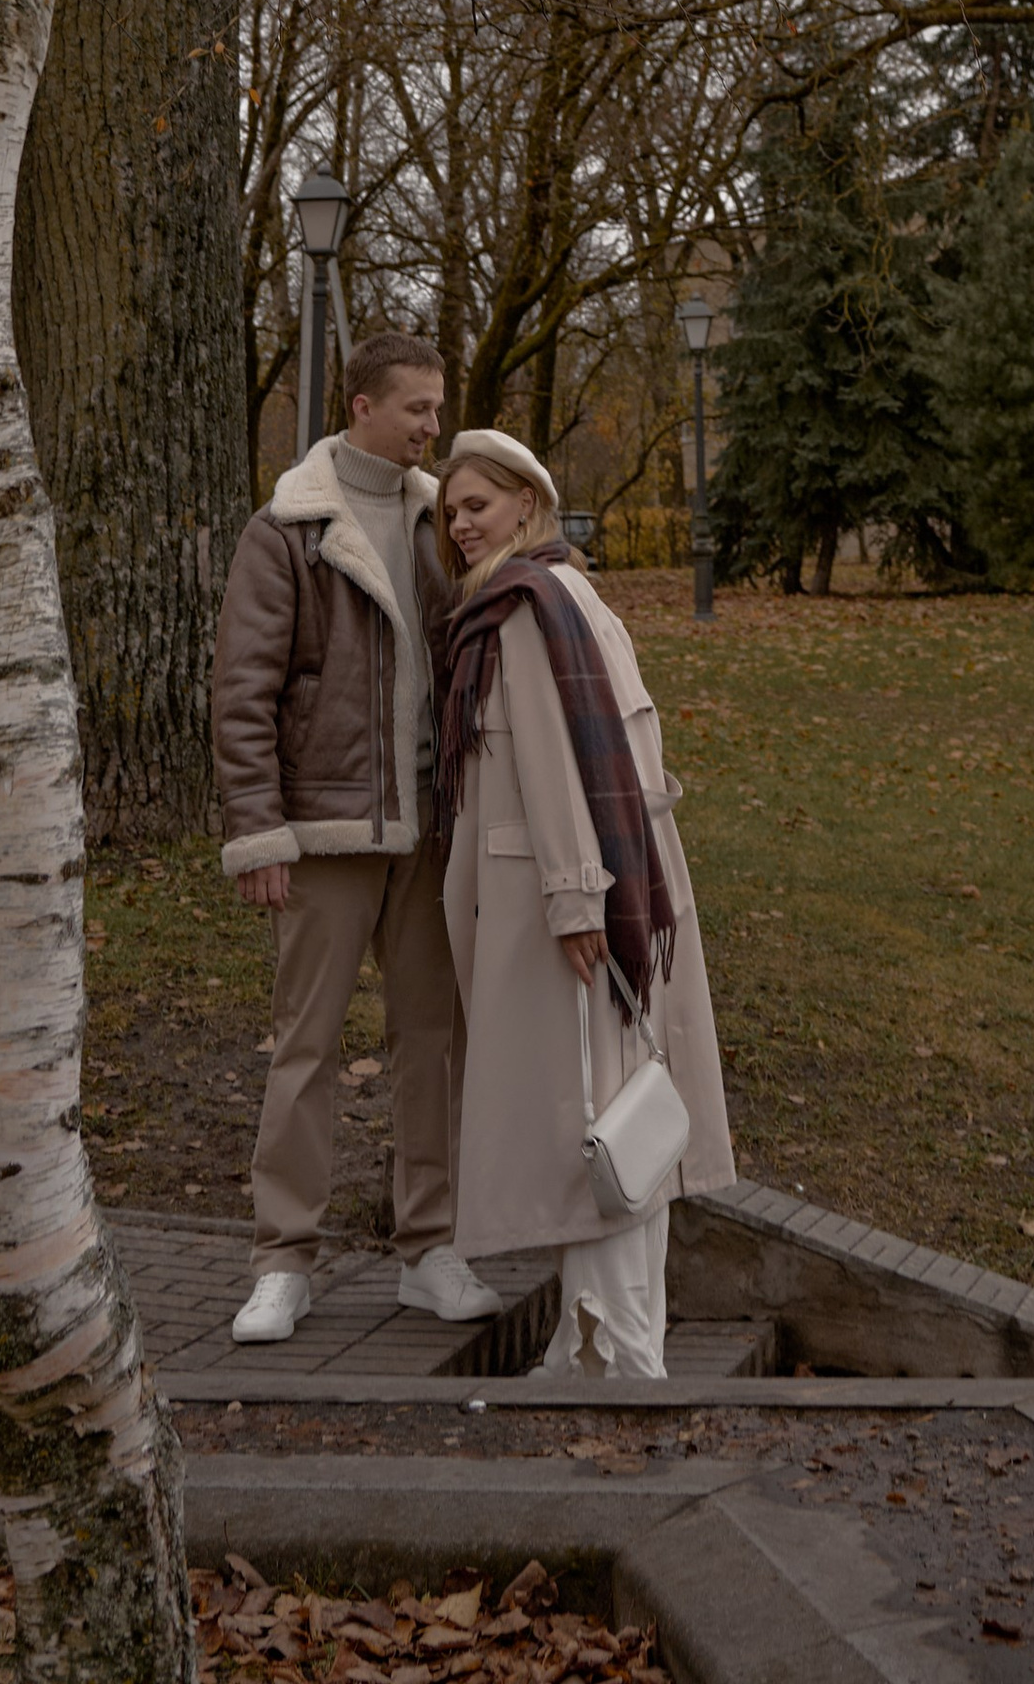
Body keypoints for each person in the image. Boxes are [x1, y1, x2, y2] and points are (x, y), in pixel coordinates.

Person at [211, 328, 502, 1345]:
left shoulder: (441, 522)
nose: (435, 425)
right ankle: (282, 1260)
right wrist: (260, 833)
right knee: (306, 1049)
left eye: (437, 407)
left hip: (430, 833)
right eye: (418, 408)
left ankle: (431, 1249)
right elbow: (242, 692)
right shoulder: (287, 529)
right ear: (363, 406)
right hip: (325, 831)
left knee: (435, 1046)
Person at [433, 429, 735, 1380]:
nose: (460, 523)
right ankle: (594, 1334)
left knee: (590, 1124)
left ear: (527, 501)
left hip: (559, 902)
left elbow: (558, 765)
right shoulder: (569, 594)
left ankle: (613, 1347)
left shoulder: (528, 607)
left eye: (477, 503)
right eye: (449, 511)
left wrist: (574, 899)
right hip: (605, 886)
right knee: (610, 1122)